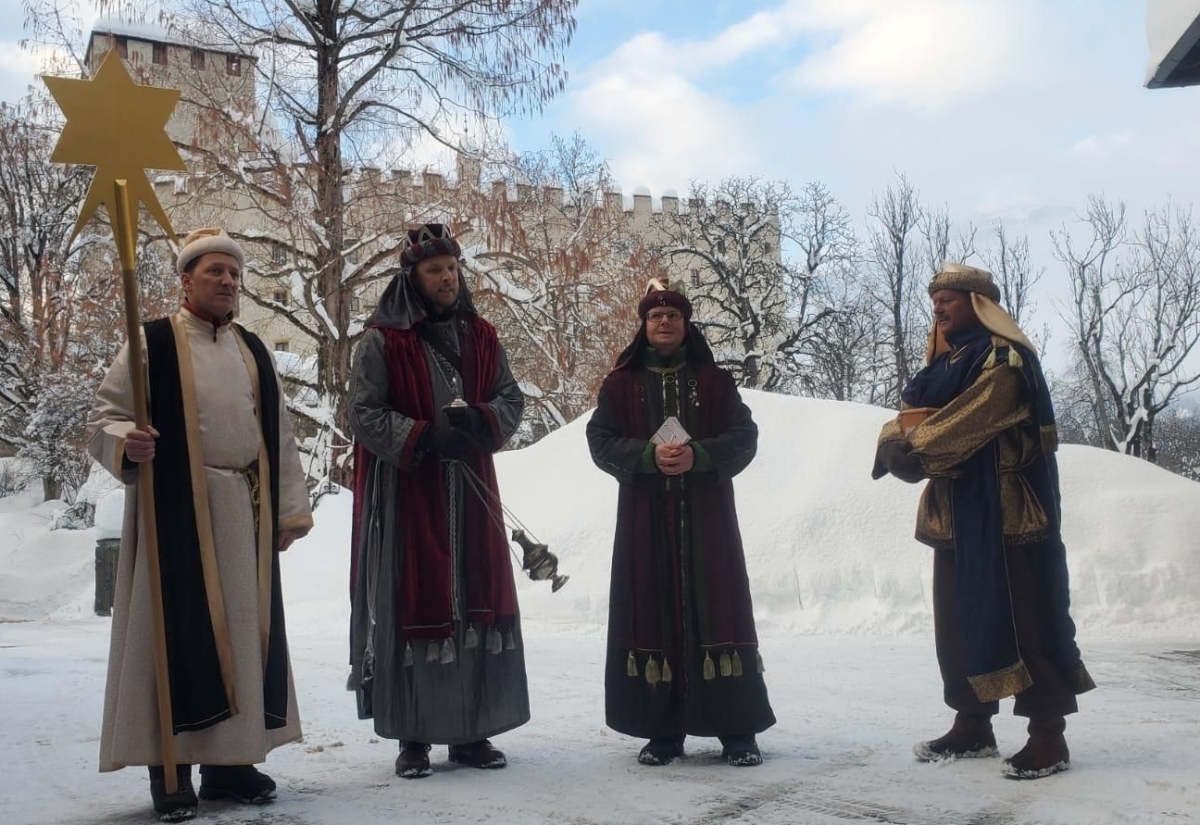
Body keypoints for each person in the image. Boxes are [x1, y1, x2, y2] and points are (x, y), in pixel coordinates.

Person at [88, 228, 314, 821]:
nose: (227, 282)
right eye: (214, 271)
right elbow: (107, 415)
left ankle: (229, 766)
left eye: (234, 274)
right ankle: (171, 769)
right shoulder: (153, 343)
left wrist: (290, 509)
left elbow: (280, 434)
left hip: (244, 507)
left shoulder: (253, 350)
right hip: (177, 508)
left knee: (241, 637)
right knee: (176, 633)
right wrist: (124, 442)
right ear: (186, 280)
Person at [873, 263, 1095, 780]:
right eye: (935, 303)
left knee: (1025, 619)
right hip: (955, 515)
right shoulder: (942, 365)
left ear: (979, 304)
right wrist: (890, 445)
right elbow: (903, 413)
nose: (940, 309)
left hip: (1007, 516)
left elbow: (964, 421)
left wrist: (913, 453)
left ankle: (1048, 735)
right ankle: (973, 723)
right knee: (958, 621)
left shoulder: (1007, 360)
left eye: (949, 299)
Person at [348, 223, 528, 779]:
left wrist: (482, 420)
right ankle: (414, 737)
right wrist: (424, 437)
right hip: (411, 491)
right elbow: (364, 412)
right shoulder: (381, 340)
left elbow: (510, 397)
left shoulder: (483, 336)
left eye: (452, 268)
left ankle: (474, 733)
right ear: (413, 278)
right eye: (434, 270)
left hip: (472, 490)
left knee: (477, 598)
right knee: (413, 599)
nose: (447, 278)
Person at [586, 278, 775, 768]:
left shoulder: (715, 382)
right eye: (655, 316)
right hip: (644, 521)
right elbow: (600, 439)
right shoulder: (619, 384)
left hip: (708, 519)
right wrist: (646, 457)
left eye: (672, 316)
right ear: (644, 327)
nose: (664, 322)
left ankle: (737, 731)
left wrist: (702, 455)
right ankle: (662, 731)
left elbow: (745, 434)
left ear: (686, 325)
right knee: (652, 609)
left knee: (720, 609)